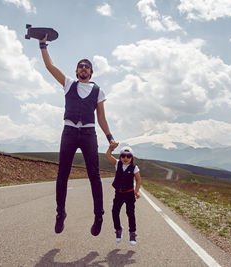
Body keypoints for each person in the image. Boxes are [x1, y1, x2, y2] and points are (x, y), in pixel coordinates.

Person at [38, 34, 118, 236]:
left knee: (94, 175)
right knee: (62, 174)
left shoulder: (98, 91)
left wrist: (110, 138)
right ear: (76, 70)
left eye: (87, 66)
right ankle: (60, 213)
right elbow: (50, 67)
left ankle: (99, 216)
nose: (83, 68)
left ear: (91, 71)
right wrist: (42, 45)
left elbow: (101, 118)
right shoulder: (68, 83)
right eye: (80, 65)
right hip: (70, 131)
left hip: (89, 133)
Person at [106, 145, 141, 246]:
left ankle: (132, 233)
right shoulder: (117, 164)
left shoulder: (134, 167)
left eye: (128, 156)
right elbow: (108, 156)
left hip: (129, 194)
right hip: (119, 193)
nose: (126, 158)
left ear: (132, 157)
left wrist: (136, 191)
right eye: (123, 156)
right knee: (115, 211)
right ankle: (118, 229)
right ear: (120, 156)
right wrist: (111, 148)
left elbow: (138, 180)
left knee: (130, 213)